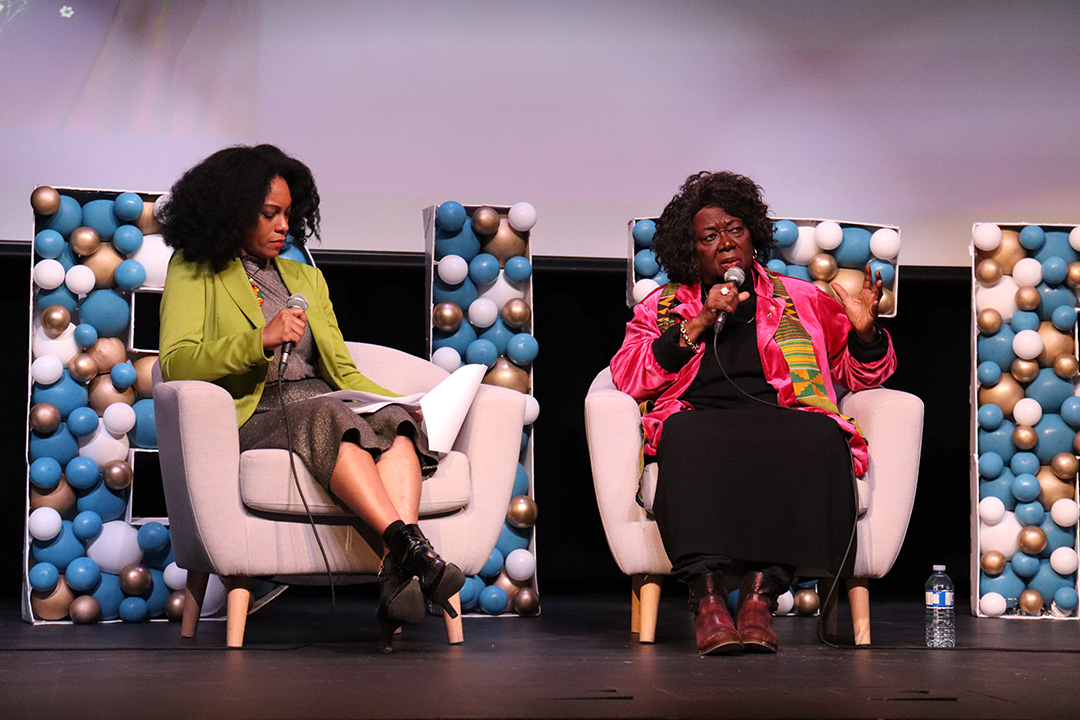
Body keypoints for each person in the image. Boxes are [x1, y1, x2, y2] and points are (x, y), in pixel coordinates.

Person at [157, 144, 464, 652]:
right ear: (232, 212)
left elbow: (341, 369)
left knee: (392, 422)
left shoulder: (305, 277)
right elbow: (176, 362)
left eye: (289, 215)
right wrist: (257, 340)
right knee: (325, 412)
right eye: (269, 214)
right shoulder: (195, 269)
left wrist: (405, 403)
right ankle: (413, 552)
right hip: (256, 409)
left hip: (321, 399)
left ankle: (401, 562)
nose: (283, 226)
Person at [610, 171, 896, 655]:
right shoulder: (663, 307)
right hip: (698, 415)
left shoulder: (801, 299)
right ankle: (708, 601)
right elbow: (628, 376)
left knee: (820, 436)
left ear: (754, 236)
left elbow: (861, 376)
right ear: (691, 250)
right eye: (709, 236)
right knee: (685, 435)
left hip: (782, 415)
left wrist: (866, 335)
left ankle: (760, 600)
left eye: (735, 230)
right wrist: (697, 323)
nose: (725, 243)